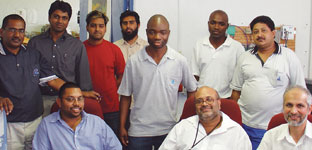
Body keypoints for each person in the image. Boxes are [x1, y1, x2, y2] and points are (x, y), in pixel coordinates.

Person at [118, 14, 197, 150]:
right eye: (152, 32)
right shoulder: (134, 61)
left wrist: (187, 121)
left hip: (169, 130)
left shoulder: (179, 61)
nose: (157, 37)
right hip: (139, 131)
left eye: (162, 32)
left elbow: (192, 90)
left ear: (169, 33)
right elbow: (125, 96)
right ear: (147, 32)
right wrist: (121, 126)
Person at [230, 15, 306, 150]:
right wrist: (235, 122)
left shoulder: (289, 57)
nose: (259, 35)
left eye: (263, 30)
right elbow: (236, 91)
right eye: (255, 32)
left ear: (273, 33)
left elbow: (300, 93)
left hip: (276, 126)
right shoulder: (244, 57)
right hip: (245, 125)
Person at [0, 14, 64, 150]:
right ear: (1, 31)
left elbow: (53, 81)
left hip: (35, 120)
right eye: (12, 30)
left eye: (21, 30)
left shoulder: (33, 54)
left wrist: (79, 93)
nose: (17, 35)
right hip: (8, 124)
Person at [27, 0, 100, 117]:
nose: (60, 21)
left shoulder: (76, 45)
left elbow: (83, 77)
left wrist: (84, 96)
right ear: (49, 17)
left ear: (68, 20)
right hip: (39, 100)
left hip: (68, 101)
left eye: (64, 18)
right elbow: (27, 75)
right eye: (56, 17)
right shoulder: (35, 43)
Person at [32, 82, 122, 150]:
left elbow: (115, 147)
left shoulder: (97, 123)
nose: (76, 103)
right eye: (70, 99)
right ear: (59, 102)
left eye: (80, 99)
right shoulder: (47, 125)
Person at [159, 86, 251, 150]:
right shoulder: (182, 127)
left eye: (209, 99)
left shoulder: (237, 133)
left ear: (219, 103)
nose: (204, 104)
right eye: (199, 101)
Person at [83, 10, 125, 137]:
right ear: (87, 27)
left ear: (105, 28)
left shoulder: (114, 50)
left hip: (111, 109)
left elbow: (122, 75)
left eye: (101, 26)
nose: (97, 29)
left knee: (110, 143)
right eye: (93, 25)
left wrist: (111, 89)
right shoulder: (79, 49)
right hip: (85, 107)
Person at [191, 10, 244, 98]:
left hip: (226, 98)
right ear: (208, 24)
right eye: (213, 23)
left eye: (221, 24)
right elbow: (194, 75)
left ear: (227, 26)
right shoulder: (199, 45)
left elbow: (240, 78)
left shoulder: (237, 47)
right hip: (203, 98)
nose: (216, 27)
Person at [258, 85, 312, 150]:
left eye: (299, 106)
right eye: (289, 105)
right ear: (283, 107)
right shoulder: (271, 136)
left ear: (309, 109)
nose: (293, 111)